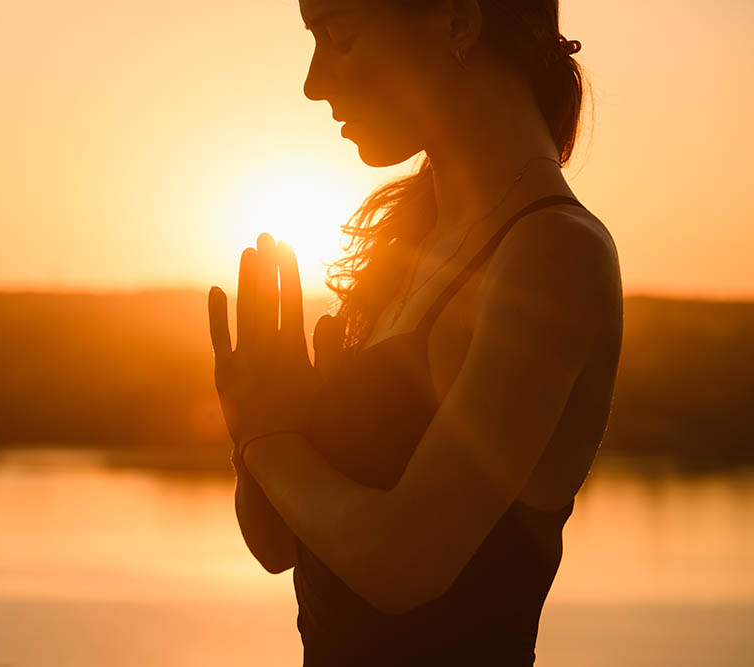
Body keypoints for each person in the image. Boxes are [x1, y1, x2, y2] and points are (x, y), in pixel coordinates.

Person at [207, 0, 623, 664]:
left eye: (336, 36)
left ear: (458, 22)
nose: (313, 82)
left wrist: (266, 437)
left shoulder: (552, 255)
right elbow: (278, 545)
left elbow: (403, 563)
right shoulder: (408, 247)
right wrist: (258, 422)